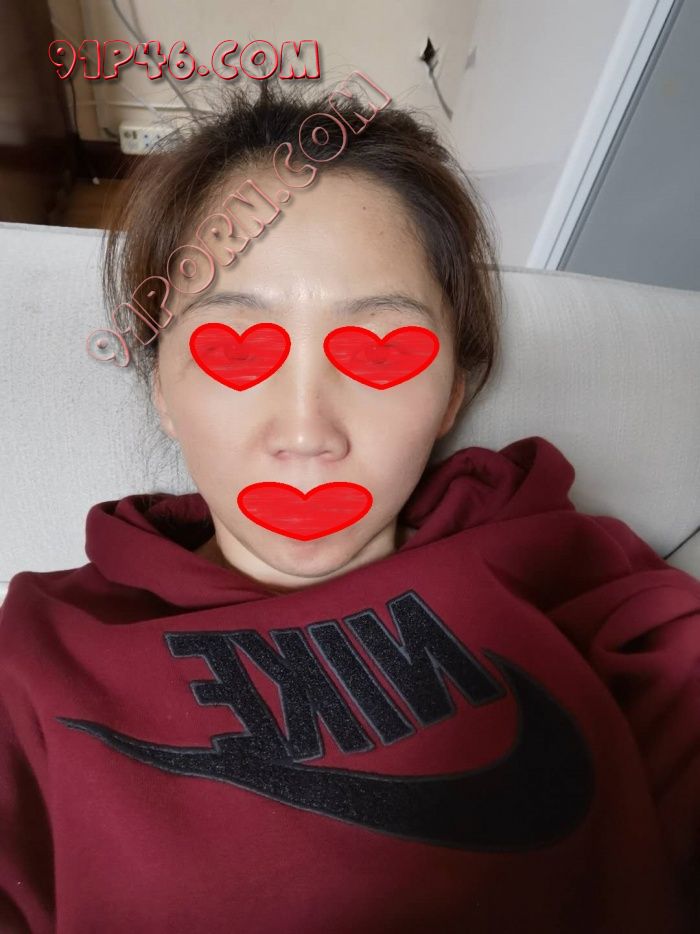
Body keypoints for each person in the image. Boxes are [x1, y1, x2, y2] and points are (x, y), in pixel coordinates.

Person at [1, 76, 698, 934]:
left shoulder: (566, 566)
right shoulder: (41, 651)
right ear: (162, 392)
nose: (306, 433)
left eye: (379, 350)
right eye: (234, 349)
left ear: (452, 394)